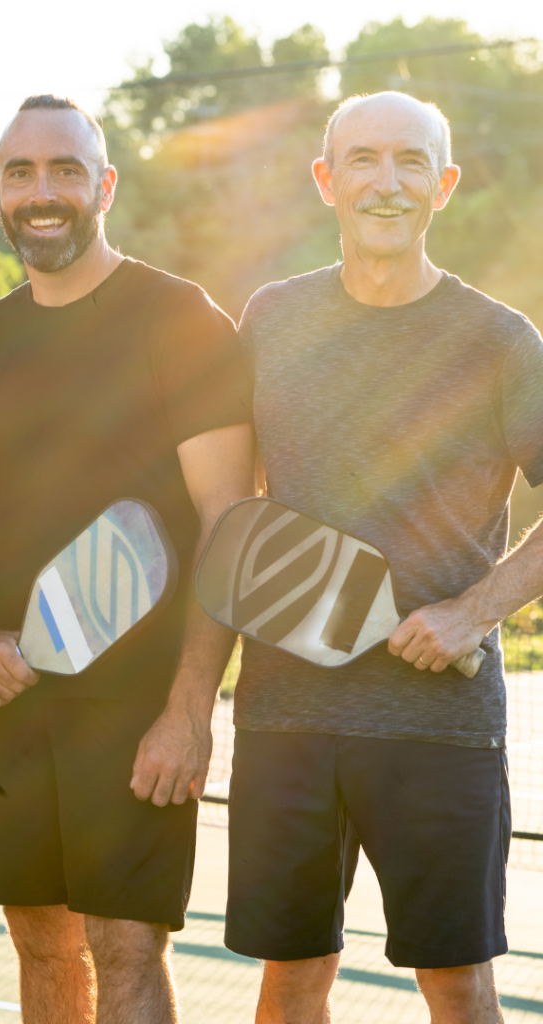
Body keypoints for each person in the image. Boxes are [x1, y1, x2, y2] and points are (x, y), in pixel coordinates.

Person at [228, 91, 543, 1024]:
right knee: (291, 981)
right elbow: (224, 506)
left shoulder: (500, 340)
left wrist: (474, 612)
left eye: (411, 162)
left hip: (437, 724)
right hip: (285, 713)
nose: (387, 182)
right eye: (363, 159)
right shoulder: (272, 319)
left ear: (443, 185)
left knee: (458, 987)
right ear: (327, 180)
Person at [0, 95, 255, 1024]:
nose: (43, 193)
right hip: (20, 698)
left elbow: (228, 523)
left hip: (139, 703)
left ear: (105, 185)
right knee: (40, 942)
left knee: (125, 946)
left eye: (66, 170)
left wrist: (189, 711)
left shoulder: (182, 319)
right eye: (20, 173)